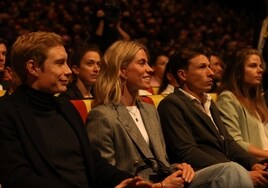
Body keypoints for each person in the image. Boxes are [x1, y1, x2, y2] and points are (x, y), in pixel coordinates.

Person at [86, 40, 254, 188]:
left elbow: (162, 162)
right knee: (231, 171)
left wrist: (179, 167)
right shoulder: (102, 116)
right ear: (122, 70)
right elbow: (105, 176)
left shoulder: (149, 110)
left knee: (232, 171)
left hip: (170, 180)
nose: (150, 69)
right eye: (142, 63)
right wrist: (161, 185)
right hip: (147, 185)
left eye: (148, 63)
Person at [0, 31, 153, 188]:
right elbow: (18, 177)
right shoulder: (7, 112)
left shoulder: (66, 107)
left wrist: (128, 181)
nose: (68, 70)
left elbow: (94, 162)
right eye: (60, 63)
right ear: (33, 67)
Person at [157, 43, 268, 187]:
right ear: (183, 75)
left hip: (226, 168)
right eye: (202, 67)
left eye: (209, 66)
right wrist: (240, 171)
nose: (211, 72)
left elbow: (228, 142)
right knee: (233, 172)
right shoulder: (171, 104)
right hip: (199, 173)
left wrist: (252, 163)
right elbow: (187, 152)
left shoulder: (209, 102)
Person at [216, 47, 268, 160]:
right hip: (253, 165)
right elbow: (235, 142)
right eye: (253, 66)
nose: (260, 70)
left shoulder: (258, 100)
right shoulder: (227, 98)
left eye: (260, 66)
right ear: (238, 71)